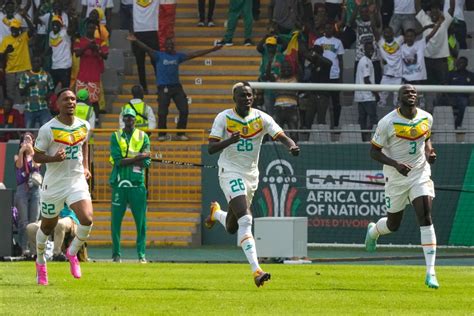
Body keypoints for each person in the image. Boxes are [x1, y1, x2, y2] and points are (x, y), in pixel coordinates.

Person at [205, 82, 300, 287]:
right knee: (246, 220)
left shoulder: (261, 117)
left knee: (232, 226)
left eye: (249, 95)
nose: (246, 98)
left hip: (251, 176)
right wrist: (228, 141)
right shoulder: (224, 117)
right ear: (234, 98)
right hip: (229, 172)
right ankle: (256, 270)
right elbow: (211, 148)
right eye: (242, 96)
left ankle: (216, 214)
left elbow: (280, 135)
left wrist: (291, 146)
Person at [366, 84, 439, 289]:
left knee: (425, 216)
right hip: (396, 178)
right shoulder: (387, 122)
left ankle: (430, 272)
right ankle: (374, 232)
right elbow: (373, 152)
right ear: (398, 98)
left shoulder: (426, 117)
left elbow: (427, 138)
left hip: (419, 174)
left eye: (414, 92)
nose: (411, 94)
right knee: (393, 224)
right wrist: (396, 165)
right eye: (406, 92)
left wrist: (429, 152)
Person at [33, 88, 94, 286]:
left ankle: (72, 252)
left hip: (75, 180)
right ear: (57, 103)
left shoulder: (84, 125)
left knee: (87, 219)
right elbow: (37, 156)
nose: (71, 102)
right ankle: (41, 260)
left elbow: (84, 143)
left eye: (73, 99)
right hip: (54, 183)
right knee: (48, 226)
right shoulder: (47, 129)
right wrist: (53, 158)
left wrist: (85, 166)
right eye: (66, 99)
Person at [127, 34, 222, 141]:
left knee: (184, 109)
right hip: (163, 88)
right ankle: (162, 135)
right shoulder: (158, 55)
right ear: (164, 46)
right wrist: (136, 41)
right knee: (162, 112)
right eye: (168, 45)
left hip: (176, 87)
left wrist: (212, 50)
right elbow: (147, 48)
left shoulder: (178, 56)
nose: (170, 47)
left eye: (171, 45)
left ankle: (180, 133)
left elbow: (194, 54)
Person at [109, 108, 151, 263]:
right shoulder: (115, 136)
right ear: (122, 119)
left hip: (137, 184)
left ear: (135, 120)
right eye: (126, 117)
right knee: (115, 221)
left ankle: (141, 255)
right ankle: (116, 255)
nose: (128, 120)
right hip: (119, 184)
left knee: (141, 222)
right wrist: (136, 158)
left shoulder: (143, 136)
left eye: (131, 117)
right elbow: (118, 160)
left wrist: (132, 159)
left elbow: (147, 161)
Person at [74, 19, 109, 121]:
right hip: (82, 76)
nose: (91, 30)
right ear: (86, 29)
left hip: (94, 76)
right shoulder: (79, 41)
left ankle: (96, 120)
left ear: (95, 29)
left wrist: (96, 50)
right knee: (79, 100)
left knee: (94, 101)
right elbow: (77, 53)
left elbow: (105, 56)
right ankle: (78, 119)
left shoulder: (101, 42)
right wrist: (87, 46)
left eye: (92, 28)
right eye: (89, 28)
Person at [14, 132, 41, 256]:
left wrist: (32, 152)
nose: (27, 142)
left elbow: (36, 165)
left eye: (29, 140)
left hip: (35, 189)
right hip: (22, 189)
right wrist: (21, 152)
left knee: (34, 220)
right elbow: (19, 166)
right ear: (21, 143)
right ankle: (23, 248)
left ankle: (34, 249)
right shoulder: (17, 156)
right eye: (25, 140)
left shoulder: (37, 155)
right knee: (23, 221)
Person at [0, 14, 35, 105]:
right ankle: (12, 116)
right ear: (10, 29)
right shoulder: (5, 40)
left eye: (16, 28)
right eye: (12, 28)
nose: (14, 30)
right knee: (10, 95)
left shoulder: (23, 37)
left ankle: (22, 114)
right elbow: (1, 58)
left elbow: (32, 29)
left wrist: (26, 17)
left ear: (20, 29)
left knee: (22, 94)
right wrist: (6, 51)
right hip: (10, 71)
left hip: (22, 70)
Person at [315, 23, 344, 128]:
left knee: (336, 103)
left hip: (334, 76)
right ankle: (322, 124)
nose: (328, 30)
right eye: (326, 28)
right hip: (323, 76)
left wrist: (341, 77)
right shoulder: (318, 41)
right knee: (322, 102)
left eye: (330, 28)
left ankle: (335, 124)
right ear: (324, 29)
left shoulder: (338, 42)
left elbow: (340, 60)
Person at [131, 0, 159, 95]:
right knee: (140, 63)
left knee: (155, 62)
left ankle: (160, 87)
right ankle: (143, 88)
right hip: (138, 31)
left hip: (152, 30)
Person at [19, 56, 55, 128]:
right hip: (29, 108)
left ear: (41, 63)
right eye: (34, 62)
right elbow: (21, 92)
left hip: (43, 107)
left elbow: (52, 89)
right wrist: (28, 85)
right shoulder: (25, 75)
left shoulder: (46, 75)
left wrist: (47, 96)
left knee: (45, 130)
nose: (36, 64)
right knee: (28, 132)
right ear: (31, 63)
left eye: (38, 62)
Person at [355, 42, 379, 142]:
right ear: (364, 50)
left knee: (363, 120)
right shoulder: (366, 62)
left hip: (360, 97)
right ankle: (369, 139)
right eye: (368, 48)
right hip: (367, 96)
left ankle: (364, 139)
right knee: (373, 119)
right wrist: (376, 93)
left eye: (372, 49)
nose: (370, 50)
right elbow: (366, 80)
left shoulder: (364, 61)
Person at [447, 57, 474, 129]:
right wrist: (448, 97)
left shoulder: (471, 75)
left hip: (464, 97)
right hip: (451, 97)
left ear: (466, 64)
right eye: (458, 62)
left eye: (462, 63)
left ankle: (457, 124)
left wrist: (471, 96)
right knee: (440, 102)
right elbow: (445, 86)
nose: (459, 64)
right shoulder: (451, 74)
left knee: (464, 103)